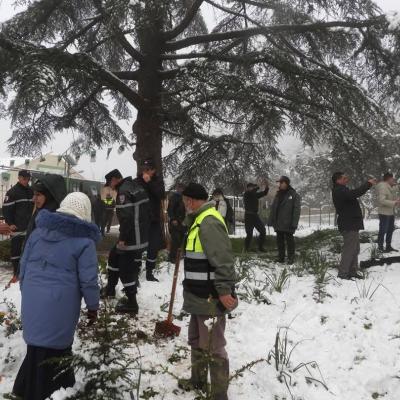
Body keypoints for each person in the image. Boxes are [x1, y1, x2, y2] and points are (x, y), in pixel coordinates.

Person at [13, 192, 101, 400]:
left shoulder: (37, 233)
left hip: (33, 296)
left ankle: (27, 386)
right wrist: (93, 307)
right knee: (56, 347)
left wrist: (28, 291)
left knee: (36, 345)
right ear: (85, 212)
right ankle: (54, 390)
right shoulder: (84, 242)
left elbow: (23, 266)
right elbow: (88, 280)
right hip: (61, 302)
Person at [178, 183, 237, 400]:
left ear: (192, 201)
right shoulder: (198, 221)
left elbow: (223, 260)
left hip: (210, 297)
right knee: (196, 339)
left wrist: (223, 291)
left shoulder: (209, 222)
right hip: (197, 295)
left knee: (213, 345)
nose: (185, 206)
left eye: (186, 201)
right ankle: (198, 380)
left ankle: (219, 394)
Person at [102, 169, 150, 313]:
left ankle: (132, 303)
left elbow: (127, 217)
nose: (110, 186)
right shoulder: (135, 186)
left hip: (131, 238)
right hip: (140, 234)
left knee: (126, 268)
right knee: (113, 256)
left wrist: (123, 239)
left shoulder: (123, 191)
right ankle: (110, 289)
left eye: (110, 183)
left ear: (115, 179)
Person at [332, 172, 377, 280]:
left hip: (351, 224)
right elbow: (355, 193)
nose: (347, 179)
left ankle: (352, 271)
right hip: (348, 224)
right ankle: (343, 273)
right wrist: (368, 184)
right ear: (338, 180)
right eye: (344, 178)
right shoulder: (339, 190)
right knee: (349, 249)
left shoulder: (343, 189)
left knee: (354, 249)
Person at [137, 159, 166, 282]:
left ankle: (149, 272)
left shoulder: (158, 181)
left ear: (154, 170)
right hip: (140, 219)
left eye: (148, 169)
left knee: (153, 247)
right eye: (144, 169)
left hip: (153, 219)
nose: (146, 171)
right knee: (138, 246)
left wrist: (149, 183)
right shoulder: (138, 180)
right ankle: (135, 272)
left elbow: (161, 195)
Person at [2, 170, 34, 278]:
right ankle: (16, 273)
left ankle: (27, 273)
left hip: (30, 228)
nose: (26, 181)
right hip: (17, 228)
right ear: (19, 178)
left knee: (29, 251)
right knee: (16, 252)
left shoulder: (31, 191)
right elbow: (6, 210)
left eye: (28, 179)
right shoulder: (12, 192)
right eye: (24, 178)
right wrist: (10, 223)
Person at [268, 176, 301, 264]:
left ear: (286, 183)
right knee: (280, 242)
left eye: (281, 183)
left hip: (288, 223)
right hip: (278, 223)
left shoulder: (294, 195)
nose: (280, 184)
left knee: (290, 242)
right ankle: (281, 257)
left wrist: (294, 223)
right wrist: (271, 220)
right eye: (279, 183)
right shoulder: (278, 194)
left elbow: (297, 210)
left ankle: (291, 258)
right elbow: (273, 208)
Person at [25, 174, 67, 242]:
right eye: (34, 194)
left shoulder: (57, 222)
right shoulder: (39, 212)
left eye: (38, 195)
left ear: (50, 197)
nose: (33, 199)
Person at [376, 172, 399, 252]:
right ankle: (380, 248)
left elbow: (393, 190)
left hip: (390, 212)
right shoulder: (382, 186)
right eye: (392, 178)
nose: (394, 179)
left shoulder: (388, 186)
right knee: (383, 230)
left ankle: (388, 246)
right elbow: (381, 200)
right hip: (384, 213)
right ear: (388, 178)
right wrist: (394, 202)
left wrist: (397, 186)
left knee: (390, 230)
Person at [243, 182, 269, 252]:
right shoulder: (247, 194)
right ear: (247, 188)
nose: (252, 188)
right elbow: (252, 193)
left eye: (252, 187)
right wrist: (258, 186)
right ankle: (246, 248)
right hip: (248, 216)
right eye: (251, 187)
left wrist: (266, 187)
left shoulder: (254, 195)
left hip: (255, 216)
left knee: (263, 231)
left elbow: (264, 193)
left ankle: (260, 247)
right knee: (249, 234)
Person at [167, 183, 186, 263]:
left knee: (182, 239)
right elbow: (170, 209)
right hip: (175, 222)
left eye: (182, 188)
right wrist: (173, 219)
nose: (180, 190)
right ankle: (172, 257)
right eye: (179, 188)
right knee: (175, 240)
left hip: (183, 222)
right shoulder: (174, 197)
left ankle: (181, 255)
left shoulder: (185, 197)